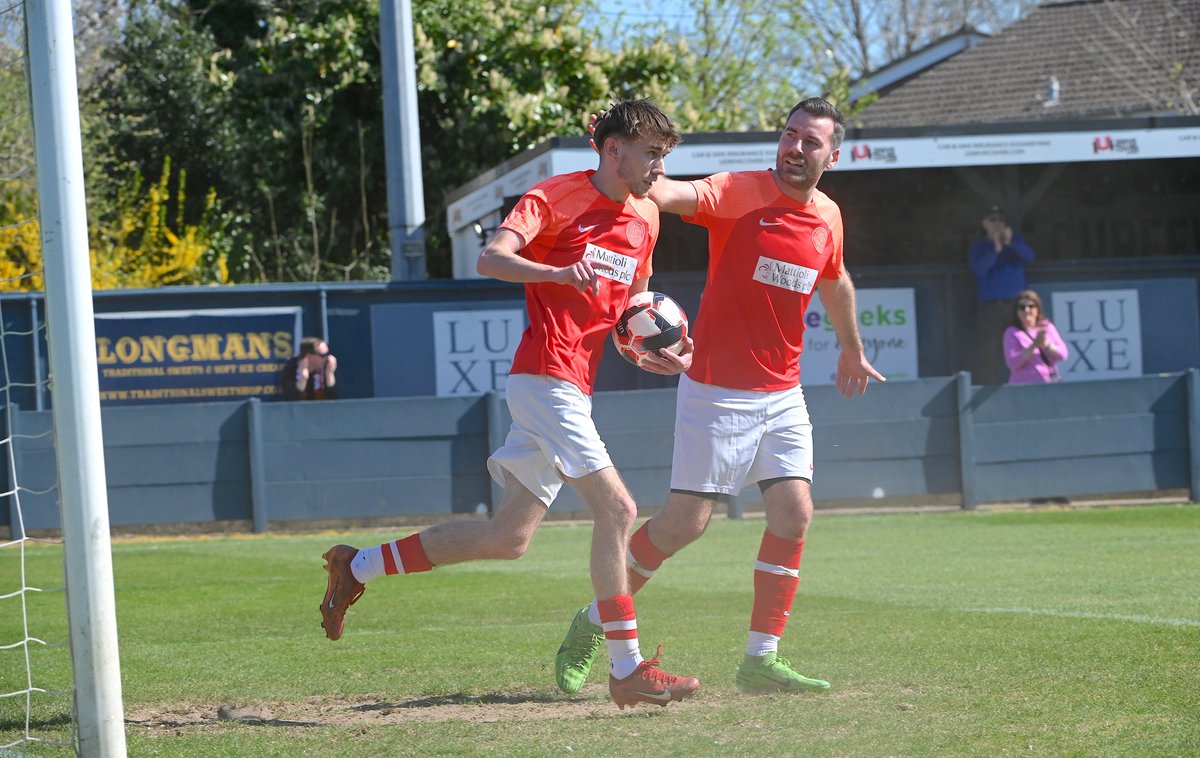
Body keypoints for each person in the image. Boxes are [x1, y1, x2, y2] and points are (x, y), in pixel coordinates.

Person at [318, 99, 700, 710]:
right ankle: (626, 669)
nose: (658, 167)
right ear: (612, 150)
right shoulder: (554, 197)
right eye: (651, 153)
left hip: (572, 384)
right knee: (619, 509)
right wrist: (555, 272)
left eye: (663, 156)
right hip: (543, 376)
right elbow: (490, 258)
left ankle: (355, 567)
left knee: (506, 537)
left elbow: (630, 314)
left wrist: (655, 354)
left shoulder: (646, 218)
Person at [555, 97, 885, 697]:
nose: (795, 148)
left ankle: (761, 659)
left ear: (831, 156)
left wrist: (850, 347)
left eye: (811, 142)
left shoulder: (829, 217)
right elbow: (669, 195)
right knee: (683, 526)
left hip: (784, 393)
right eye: (789, 135)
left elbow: (833, 278)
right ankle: (593, 619)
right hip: (716, 394)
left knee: (795, 512)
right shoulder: (740, 190)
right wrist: (626, 151)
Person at [968, 206, 1037, 385]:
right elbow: (978, 270)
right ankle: (991, 389)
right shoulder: (979, 246)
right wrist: (995, 250)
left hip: (1016, 306)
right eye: (993, 220)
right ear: (985, 223)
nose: (997, 224)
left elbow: (1030, 257)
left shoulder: (1015, 242)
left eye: (1000, 220)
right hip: (990, 306)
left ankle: (1023, 384)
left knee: (1022, 346)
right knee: (989, 352)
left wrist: (1011, 242)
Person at [1004, 289, 1068, 383]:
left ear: (1037, 309)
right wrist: (1034, 345)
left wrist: (1046, 345)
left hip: (1048, 383)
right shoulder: (1011, 333)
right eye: (1022, 307)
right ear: (1017, 312)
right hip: (1024, 387)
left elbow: (1063, 354)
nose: (1027, 310)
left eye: (1031, 306)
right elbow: (1013, 363)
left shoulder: (1047, 327)